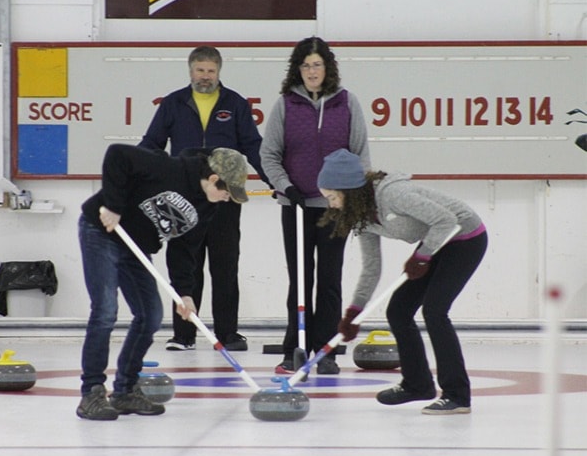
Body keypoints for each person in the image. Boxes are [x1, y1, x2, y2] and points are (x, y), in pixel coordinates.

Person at [76, 144, 250, 420]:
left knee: (151, 316)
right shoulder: (169, 168)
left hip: (136, 248)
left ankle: (124, 391)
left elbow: (185, 248)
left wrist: (185, 293)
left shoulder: (207, 207)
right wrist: (113, 204)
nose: (227, 199)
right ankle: (92, 392)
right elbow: (116, 154)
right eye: (226, 192)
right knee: (105, 310)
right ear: (215, 179)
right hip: (102, 231)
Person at [317, 148, 488, 415]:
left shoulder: (393, 195)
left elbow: (447, 220)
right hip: (435, 242)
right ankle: (417, 384)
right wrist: (354, 312)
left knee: (435, 310)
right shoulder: (361, 215)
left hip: (465, 237)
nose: (332, 205)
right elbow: (371, 267)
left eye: (333, 197)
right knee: (398, 310)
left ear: (349, 191)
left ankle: (457, 395)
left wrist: (422, 256)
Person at [139, 45, 268, 352]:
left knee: (225, 265)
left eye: (211, 71)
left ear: (219, 72)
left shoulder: (235, 104)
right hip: (184, 198)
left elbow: (253, 145)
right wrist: (138, 175)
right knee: (186, 264)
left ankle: (228, 334)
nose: (205, 76)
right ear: (190, 71)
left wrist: (277, 181)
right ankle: (184, 335)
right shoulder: (173, 103)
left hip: (225, 197)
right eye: (200, 70)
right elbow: (152, 143)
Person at [260, 36, 371, 375]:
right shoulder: (285, 105)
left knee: (330, 278)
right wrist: (285, 187)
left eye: (317, 64)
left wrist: (350, 198)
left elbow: (361, 156)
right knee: (300, 278)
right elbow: (269, 154)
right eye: (306, 65)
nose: (312, 71)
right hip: (295, 205)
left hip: (335, 208)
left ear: (328, 68)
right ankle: (295, 346)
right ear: (298, 69)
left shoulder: (347, 103)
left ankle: (327, 350)